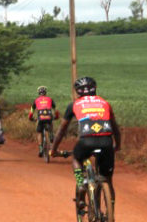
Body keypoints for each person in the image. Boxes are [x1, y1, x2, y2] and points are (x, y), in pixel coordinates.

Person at [52, 76, 121, 212]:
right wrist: (117, 145)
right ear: (95, 88)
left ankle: (81, 182)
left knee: (76, 158)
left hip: (86, 141)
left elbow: (61, 130)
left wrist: (53, 149)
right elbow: (115, 128)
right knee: (107, 180)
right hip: (106, 142)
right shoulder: (104, 103)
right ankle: (110, 215)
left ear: (77, 91)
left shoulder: (74, 105)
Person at [29, 85, 60, 156]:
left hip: (40, 117)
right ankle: (51, 134)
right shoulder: (50, 99)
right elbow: (56, 110)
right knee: (50, 123)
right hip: (49, 116)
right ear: (45, 92)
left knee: (39, 132)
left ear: (39, 93)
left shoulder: (36, 100)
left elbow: (31, 112)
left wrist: (30, 118)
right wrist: (56, 116)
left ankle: (40, 148)